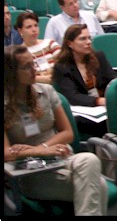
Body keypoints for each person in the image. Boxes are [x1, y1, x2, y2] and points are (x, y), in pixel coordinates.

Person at [4, 45, 108, 215]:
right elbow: (6, 153)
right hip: (31, 173)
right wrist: (41, 152)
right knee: (100, 187)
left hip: (61, 157)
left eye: (33, 64)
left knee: (90, 159)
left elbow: (68, 133)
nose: (34, 70)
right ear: (11, 73)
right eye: (26, 67)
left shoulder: (46, 91)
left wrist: (44, 148)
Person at [52, 24, 117, 138]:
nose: (88, 42)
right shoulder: (62, 67)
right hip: (83, 109)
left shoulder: (98, 56)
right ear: (70, 43)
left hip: (104, 105)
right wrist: (99, 101)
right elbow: (72, 96)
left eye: (89, 38)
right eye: (83, 39)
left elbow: (113, 80)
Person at [15, 11, 61, 84]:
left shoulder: (50, 44)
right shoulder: (19, 53)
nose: (34, 30)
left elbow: (64, 63)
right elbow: (22, 77)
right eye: (29, 27)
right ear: (20, 31)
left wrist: (49, 73)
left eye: (36, 25)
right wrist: (40, 79)